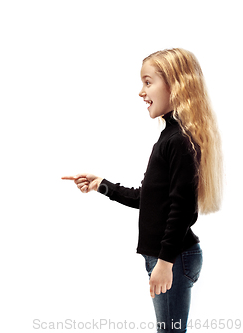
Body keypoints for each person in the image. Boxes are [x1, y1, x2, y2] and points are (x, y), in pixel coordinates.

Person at [62, 48, 223, 332]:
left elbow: (182, 207)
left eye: (148, 82)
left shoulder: (179, 140)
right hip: (169, 256)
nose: (141, 92)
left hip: (173, 257)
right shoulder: (170, 137)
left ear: (176, 83)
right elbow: (150, 200)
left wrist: (165, 262)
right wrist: (103, 185)